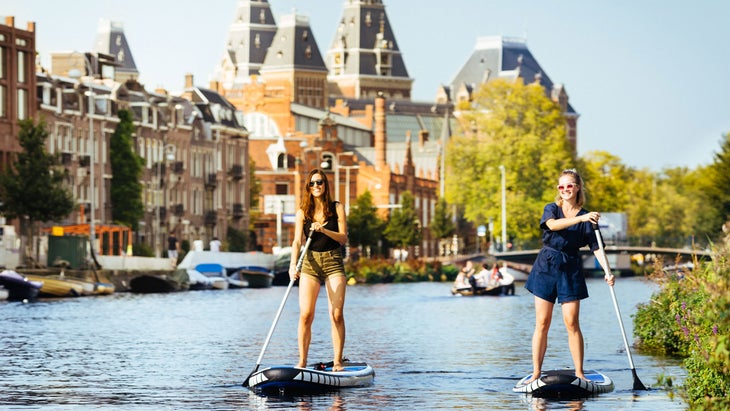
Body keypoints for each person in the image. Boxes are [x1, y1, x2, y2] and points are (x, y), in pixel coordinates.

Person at [524, 168, 615, 383]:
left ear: (578, 187)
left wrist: (608, 272)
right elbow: (553, 226)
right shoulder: (552, 209)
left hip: (571, 268)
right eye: (561, 186)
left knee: (572, 322)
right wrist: (580, 219)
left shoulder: (588, 218)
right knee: (542, 322)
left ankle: (579, 373)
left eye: (569, 185)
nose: (565, 189)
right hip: (546, 266)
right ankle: (536, 372)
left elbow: (597, 248)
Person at [289, 169, 348, 372]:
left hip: (333, 261)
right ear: (308, 187)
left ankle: (338, 362)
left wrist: (323, 230)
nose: (316, 186)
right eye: (312, 184)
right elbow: (297, 241)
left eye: (319, 182)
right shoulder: (302, 212)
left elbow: (343, 238)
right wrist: (292, 265)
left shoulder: (336, 207)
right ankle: (302, 362)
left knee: (336, 314)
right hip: (310, 263)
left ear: (325, 185)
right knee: (306, 314)